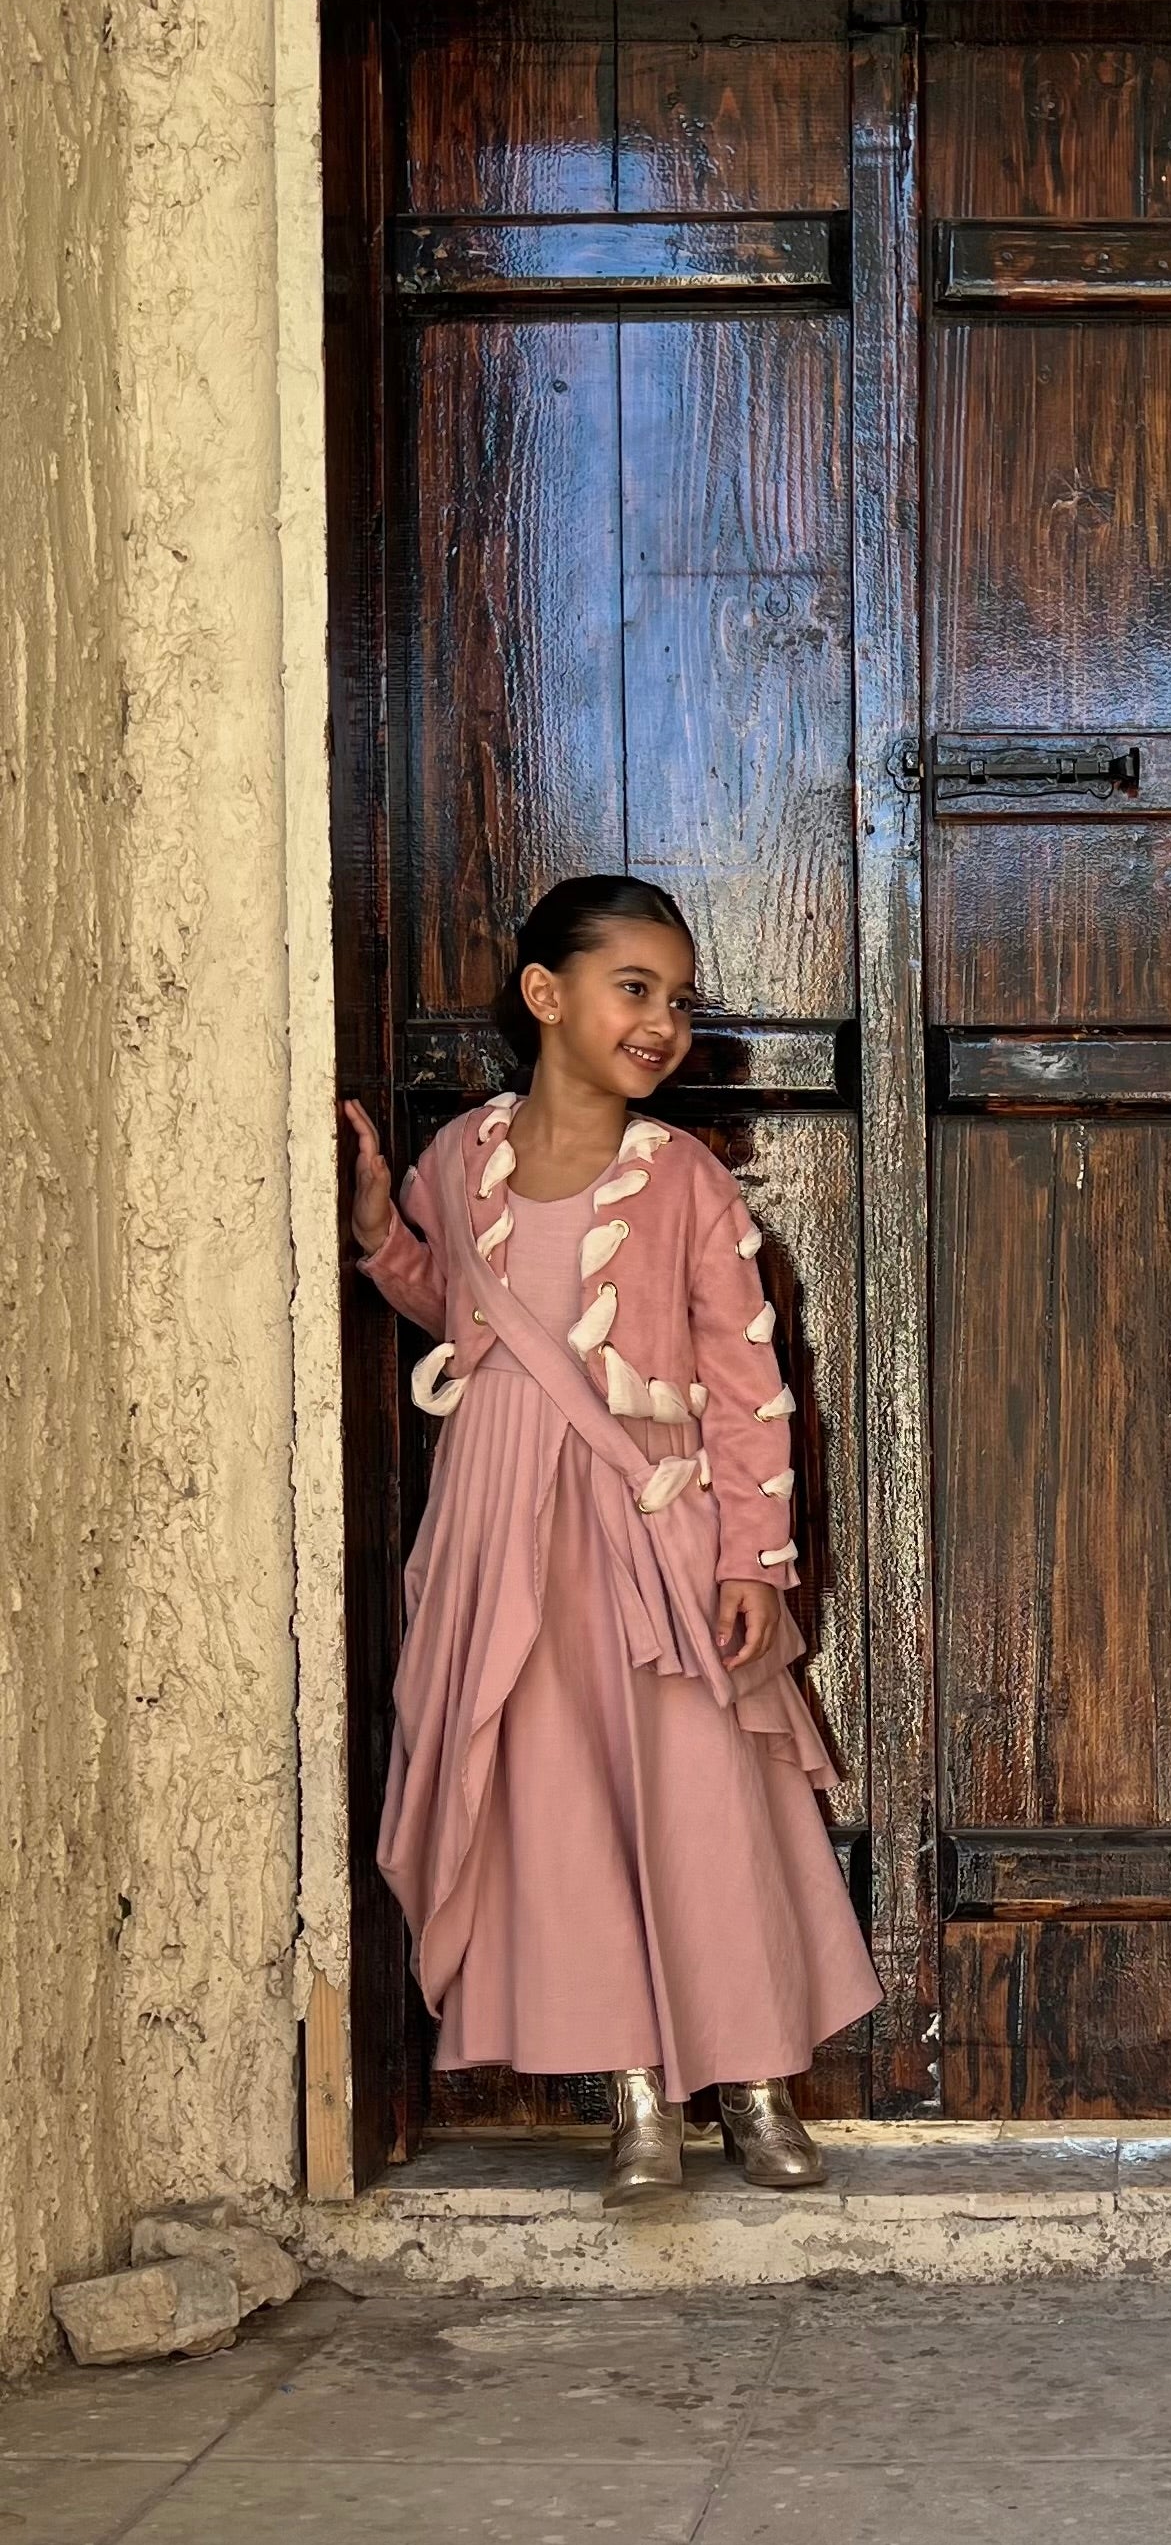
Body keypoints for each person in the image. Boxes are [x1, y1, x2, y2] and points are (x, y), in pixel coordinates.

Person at [342, 874, 881, 2209]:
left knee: (706, 1799)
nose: (662, 1021)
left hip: (647, 1533)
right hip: (500, 1534)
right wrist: (380, 1234)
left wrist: (752, 1559)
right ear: (545, 993)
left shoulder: (685, 1177)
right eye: (634, 987)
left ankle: (754, 2079)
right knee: (556, 1804)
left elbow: (747, 1383)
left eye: (678, 999)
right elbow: (463, 1309)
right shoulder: (458, 1158)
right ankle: (636, 2091)